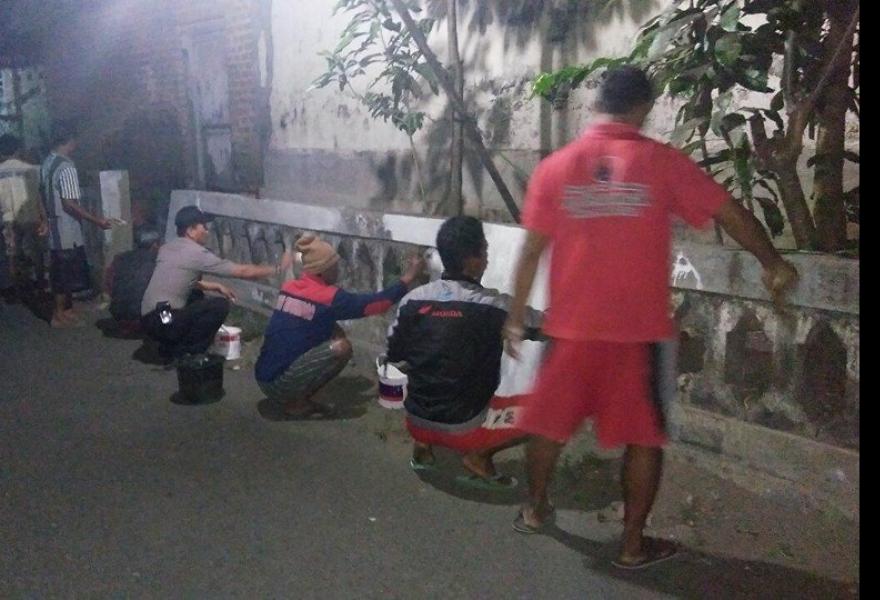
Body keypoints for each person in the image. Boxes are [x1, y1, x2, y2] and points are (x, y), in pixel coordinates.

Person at [503, 66, 799, 569]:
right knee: (643, 438)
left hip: (569, 330)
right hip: (637, 335)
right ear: (643, 108)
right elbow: (729, 212)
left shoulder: (555, 168)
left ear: (597, 106)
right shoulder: (662, 163)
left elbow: (531, 250)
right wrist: (772, 262)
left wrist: (514, 317)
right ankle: (632, 545)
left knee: (549, 425)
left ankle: (533, 510)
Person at [384, 216, 543, 488]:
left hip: (415, 420)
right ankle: (479, 457)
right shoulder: (494, 307)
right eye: (485, 251)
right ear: (473, 261)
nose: (487, 259)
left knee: (418, 369)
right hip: (465, 428)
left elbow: (393, 355)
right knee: (549, 413)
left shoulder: (412, 301)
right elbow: (545, 326)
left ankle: (422, 447)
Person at [255, 233, 425, 419]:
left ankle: (295, 395)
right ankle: (296, 403)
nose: (338, 269)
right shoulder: (329, 297)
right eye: (334, 266)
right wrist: (409, 276)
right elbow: (377, 304)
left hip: (263, 376)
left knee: (333, 328)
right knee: (342, 348)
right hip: (279, 384)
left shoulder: (290, 287)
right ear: (322, 270)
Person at [140, 205, 293, 362]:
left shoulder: (167, 248)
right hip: (165, 321)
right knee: (219, 306)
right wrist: (278, 269)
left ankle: (168, 346)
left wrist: (216, 286)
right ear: (191, 230)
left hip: (151, 320)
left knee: (196, 295)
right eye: (203, 227)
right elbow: (242, 271)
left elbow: (179, 280)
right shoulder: (195, 253)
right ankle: (188, 353)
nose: (207, 231)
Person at [40, 120, 111, 327]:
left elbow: (40, 195)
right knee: (64, 273)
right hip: (66, 228)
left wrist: (44, 219)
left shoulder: (47, 162)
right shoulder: (67, 166)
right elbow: (69, 203)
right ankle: (58, 315)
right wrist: (97, 220)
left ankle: (66, 309)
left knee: (61, 269)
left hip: (54, 226)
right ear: (70, 140)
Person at [0, 133, 45, 302]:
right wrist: (43, 218)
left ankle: (15, 291)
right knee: (36, 254)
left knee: (11, 255)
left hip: (8, 219)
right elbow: (37, 196)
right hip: (30, 217)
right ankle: (40, 288)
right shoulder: (30, 169)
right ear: (17, 149)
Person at [105, 227, 161, 335]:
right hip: (145, 318)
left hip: (118, 315)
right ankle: (168, 325)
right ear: (155, 244)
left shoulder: (120, 258)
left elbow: (108, 284)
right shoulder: (158, 260)